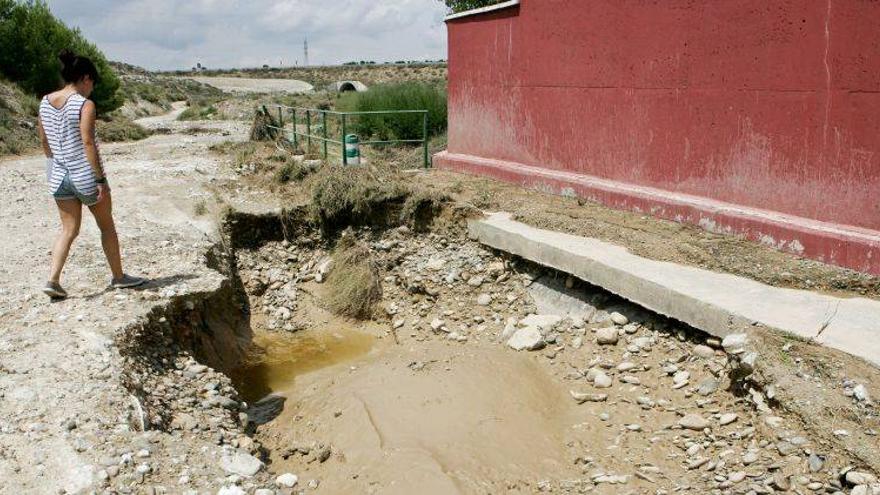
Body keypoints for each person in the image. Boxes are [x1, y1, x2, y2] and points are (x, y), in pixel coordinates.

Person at [37, 50, 145, 299]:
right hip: (84, 175)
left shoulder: (45, 101)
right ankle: (119, 277)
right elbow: (88, 142)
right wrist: (99, 180)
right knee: (106, 227)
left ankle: (53, 280)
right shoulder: (84, 104)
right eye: (92, 83)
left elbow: (44, 140)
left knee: (68, 229)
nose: (92, 88)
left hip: (58, 175)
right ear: (85, 78)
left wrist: (53, 164)